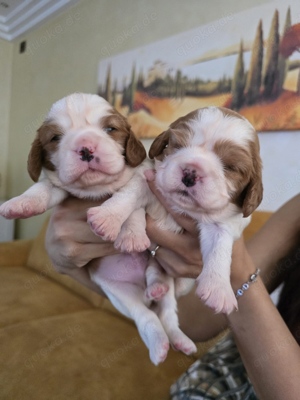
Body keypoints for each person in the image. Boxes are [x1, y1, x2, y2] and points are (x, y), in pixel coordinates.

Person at [45, 181, 300, 400]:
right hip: (206, 381)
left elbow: (237, 272)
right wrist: (78, 266)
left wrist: (228, 270)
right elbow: (194, 320)